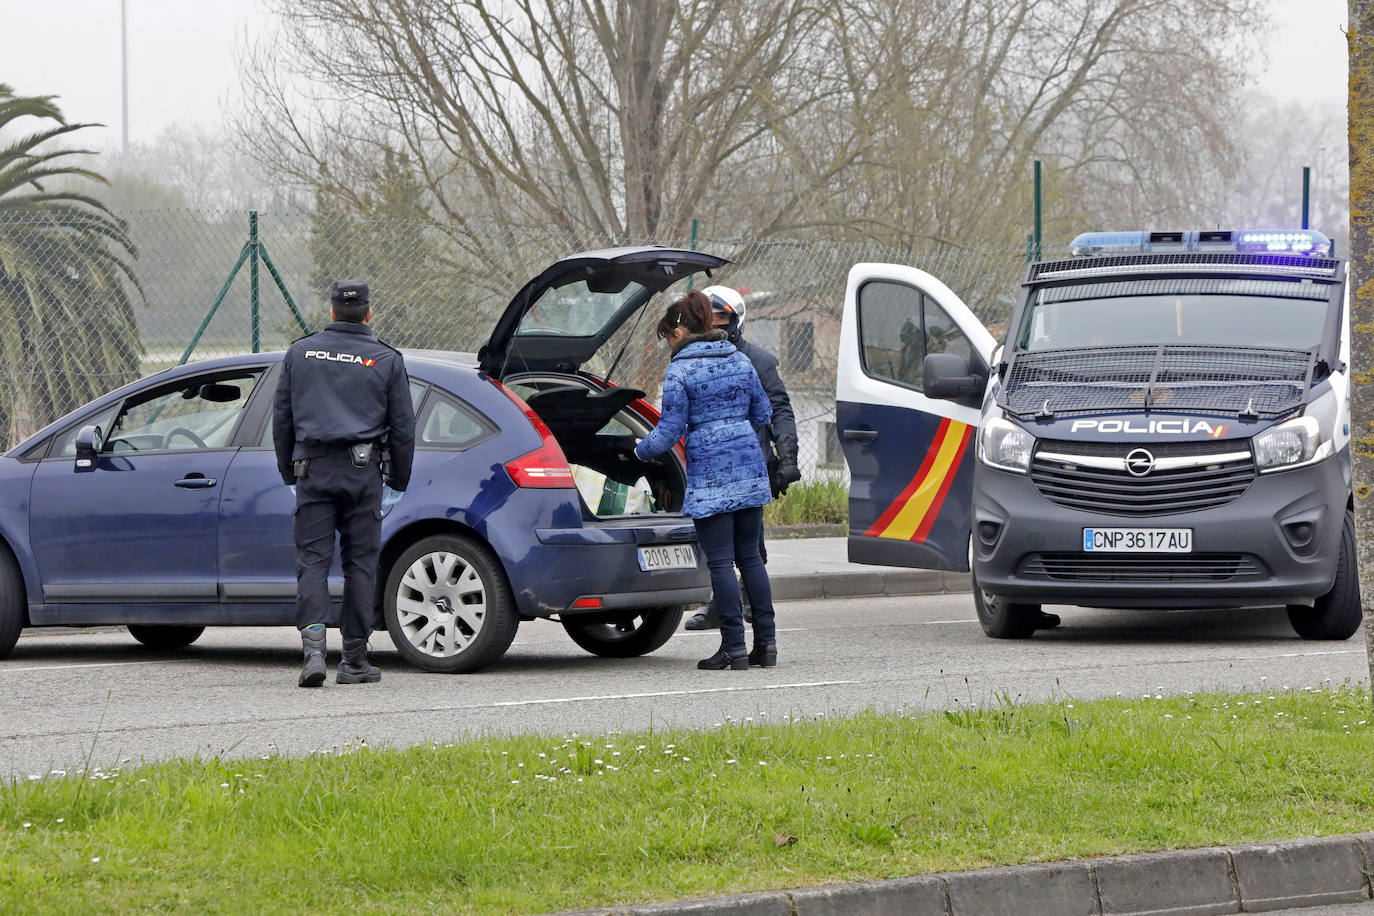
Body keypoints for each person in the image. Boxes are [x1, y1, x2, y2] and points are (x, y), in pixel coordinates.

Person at [273, 280, 415, 687]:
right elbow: (403, 428)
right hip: (362, 473)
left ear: (332, 312)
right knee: (360, 565)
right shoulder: (387, 359)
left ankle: (313, 654)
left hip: (312, 471)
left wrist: (288, 471)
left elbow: (282, 418)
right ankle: (353, 660)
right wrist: (399, 479)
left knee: (313, 562)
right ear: (368, 313)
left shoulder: (301, 352)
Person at [634, 289, 778, 669]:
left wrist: (637, 451)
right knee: (751, 559)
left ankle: (733, 647)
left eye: (667, 337)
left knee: (720, 563)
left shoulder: (681, 370)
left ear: (679, 332)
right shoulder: (739, 360)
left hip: (711, 472)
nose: (667, 344)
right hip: (748, 465)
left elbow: (668, 432)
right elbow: (763, 412)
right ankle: (767, 645)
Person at [682, 285, 801, 631]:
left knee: (750, 547)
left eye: (722, 318)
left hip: (750, 463)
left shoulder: (759, 361)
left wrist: (787, 458)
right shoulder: (690, 360)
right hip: (710, 467)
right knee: (715, 546)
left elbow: (779, 409)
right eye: (709, 318)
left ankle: (754, 615)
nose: (716, 325)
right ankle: (724, 605)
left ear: (737, 320)